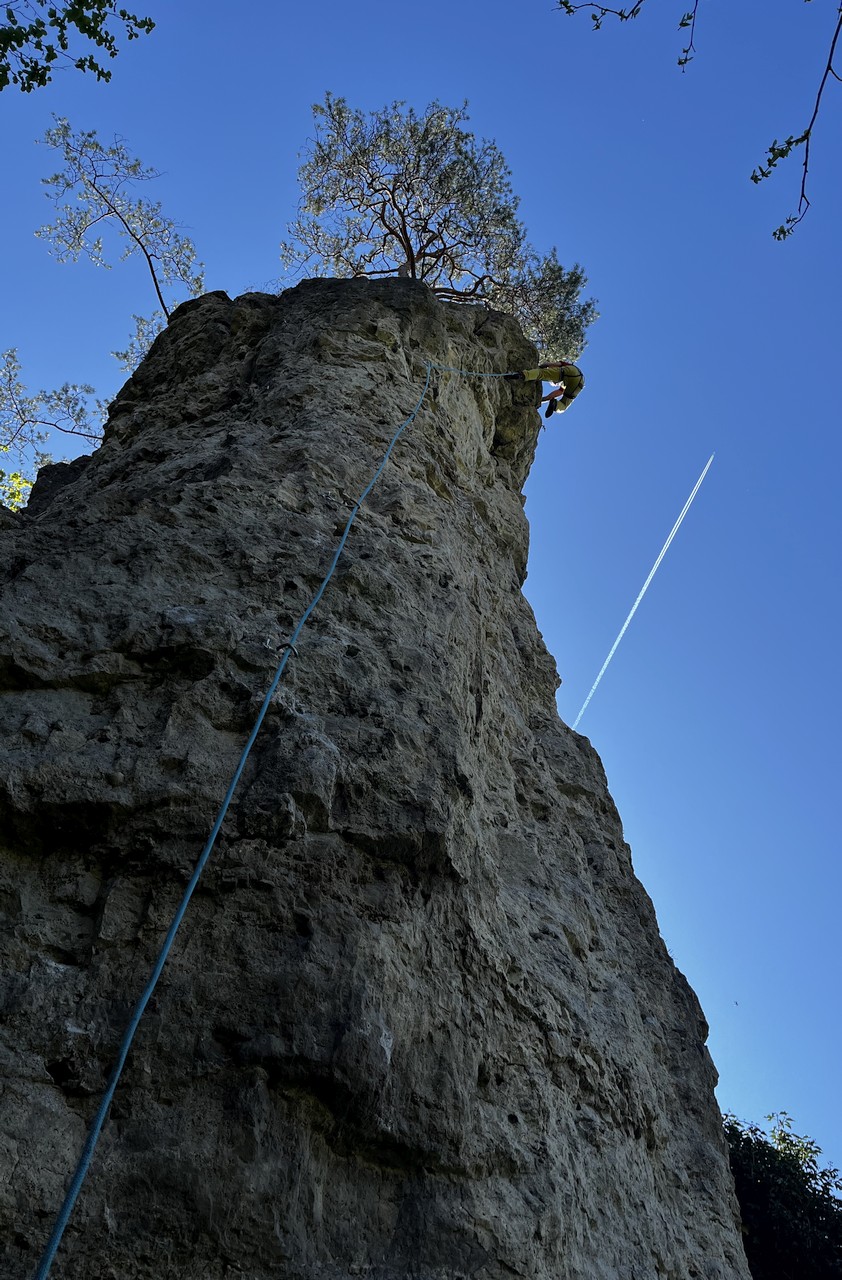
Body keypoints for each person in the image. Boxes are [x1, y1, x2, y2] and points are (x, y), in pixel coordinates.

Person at [505, 361, 585, 417]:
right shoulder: (564, 386)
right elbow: (558, 393)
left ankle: (522, 375)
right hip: (579, 384)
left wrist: (542, 366)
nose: (554, 383)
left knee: (541, 374)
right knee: (563, 405)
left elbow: (550, 364)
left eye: (555, 383)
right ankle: (556, 406)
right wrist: (542, 400)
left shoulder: (565, 365)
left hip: (571, 371)